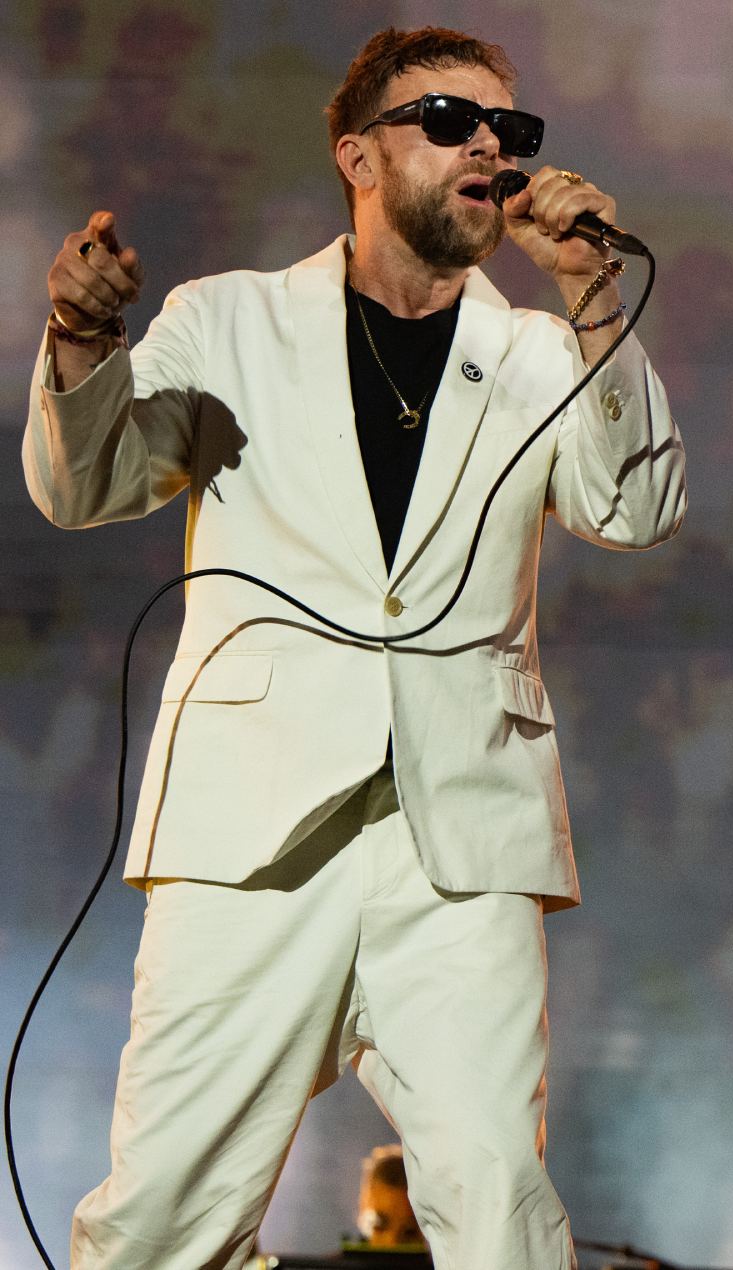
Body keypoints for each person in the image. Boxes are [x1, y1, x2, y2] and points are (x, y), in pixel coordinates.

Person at [26, 25, 685, 1268]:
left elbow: (636, 507)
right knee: (166, 1221)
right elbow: (89, 482)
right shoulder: (227, 322)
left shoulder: (544, 351)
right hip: (253, 831)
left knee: (502, 1215)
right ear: (359, 156)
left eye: (509, 128)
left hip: (460, 840)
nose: (488, 144)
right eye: (447, 118)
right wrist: (78, 338)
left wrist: (593, 293)